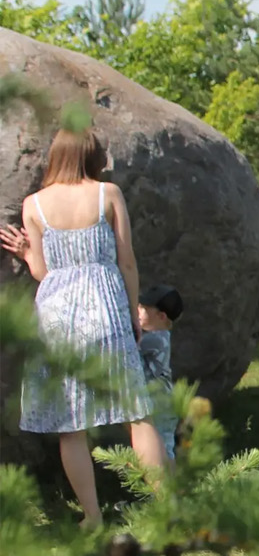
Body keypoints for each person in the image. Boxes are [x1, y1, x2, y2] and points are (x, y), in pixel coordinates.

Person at [0, 129, 166, 528]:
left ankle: (92, 516)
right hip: (105, 305)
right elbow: (126, 261)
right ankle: (165, 505)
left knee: (70, 424)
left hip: (57, 313)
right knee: (137, 413)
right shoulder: (107, 194)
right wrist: (132, 314)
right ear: (92, 156)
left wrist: (26, 252)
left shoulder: (33, 205)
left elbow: (43, 272)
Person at [138, 284, 183, 467]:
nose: (138, 311)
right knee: (163, 447)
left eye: (144, 309)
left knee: (162, 448)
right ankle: (168, 490)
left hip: (161, 403)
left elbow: (128, 347)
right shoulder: (158, 336)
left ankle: (170, 490)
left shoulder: (156, 339)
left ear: (161, 316)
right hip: (160, 401)